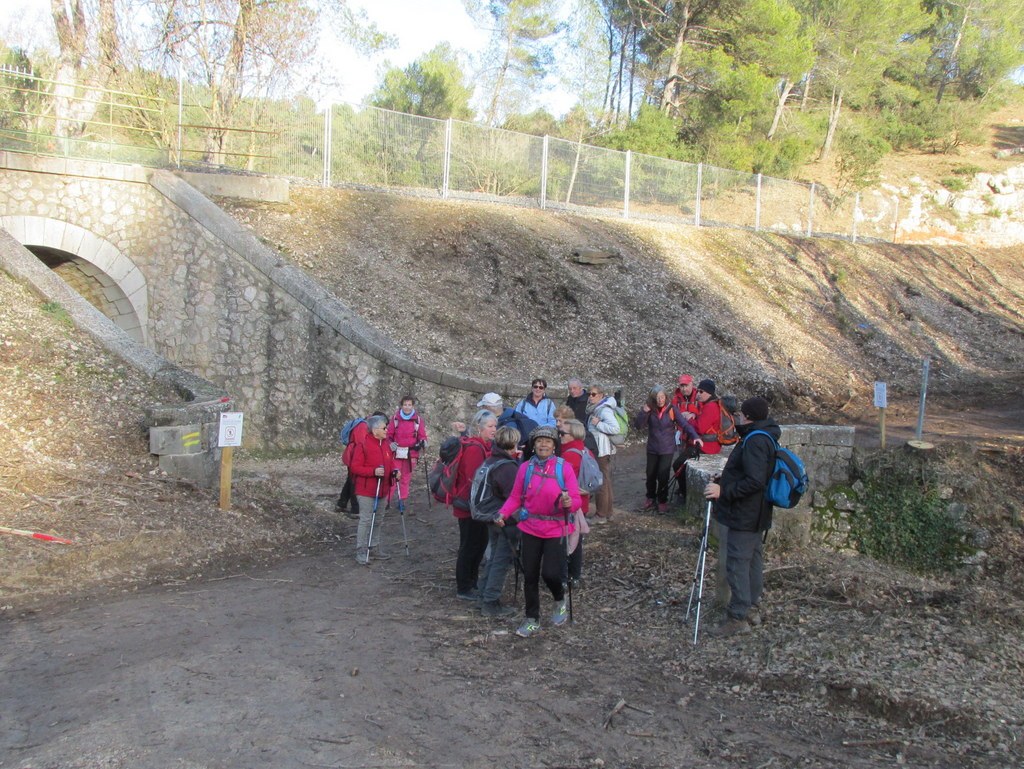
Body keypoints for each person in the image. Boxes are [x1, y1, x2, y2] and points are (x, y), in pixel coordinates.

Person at [703, 396, 778, 637]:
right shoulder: (764, 436)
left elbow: (754, 481)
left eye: (742, 414)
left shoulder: (755, 441)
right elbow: (751, 474)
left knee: (737, 562)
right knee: (753, 561)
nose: (738, 417)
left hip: (745, 514)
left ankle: (738, 616)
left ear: (748, 416)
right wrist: (724, 479)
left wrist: (723, 490)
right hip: (757, 513)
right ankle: (752, 607)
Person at [497, 425, 582, 638]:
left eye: (548, 441)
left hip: (556, 528)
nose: (543, 444)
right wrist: (504, 513)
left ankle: (559, 600)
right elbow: (516, 496)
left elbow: (576, 500)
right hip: (531, 527)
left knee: (551, 574)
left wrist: (569, 503)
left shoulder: (564, 468)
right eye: (539, 441)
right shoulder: (525, 468)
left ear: (554, 446)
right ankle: (532, 618)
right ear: (533, 445)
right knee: (531, 575)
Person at [476, 426, 523, 617]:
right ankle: (490, 601)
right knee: (501, 561)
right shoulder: (506, 467)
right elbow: (514, 496)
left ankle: (483, 595)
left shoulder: (491, 461)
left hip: (490, 515)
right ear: (513, 443)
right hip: (504, 519)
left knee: (493, 557)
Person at [452, 409, 498, 601]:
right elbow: (474, 480)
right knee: (470, 545)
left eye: (495, 426)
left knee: (479, 544)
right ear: (479, 428)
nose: (494, 429)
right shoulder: (474, 449)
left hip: (477, 506)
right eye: (490, 426)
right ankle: (464, 586)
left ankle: (472, 581)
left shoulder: (484, 447)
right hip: (470, 506)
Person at [635, 386, 702, 513]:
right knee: (650, 474)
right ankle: (650, 497)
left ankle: (662, 501)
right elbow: (638, 426)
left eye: (662, 397)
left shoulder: (672, 409)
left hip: (667, 448)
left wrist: (695, 437)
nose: (660, 400)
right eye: (657, 397)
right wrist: (644, 411)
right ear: (652, 399)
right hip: (653, 448)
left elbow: (684, 424)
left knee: (663, 475)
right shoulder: (650, 410)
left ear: (665, 397)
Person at [349, 415, 399, 564]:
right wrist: (373, 471)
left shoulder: (386, 444)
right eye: (384, 427)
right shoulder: (363, 444)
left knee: (378, 519)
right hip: (366, 490)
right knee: (366, 519)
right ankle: (361, 550)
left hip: (383, 488)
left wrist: (395, 471)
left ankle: (374, 546)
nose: (387, 430)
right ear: (375, 429)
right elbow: (355, 467)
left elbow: (390, 463)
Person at [559, 418, 592, 588]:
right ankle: (575, 575)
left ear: (573, 435)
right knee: (577, 540)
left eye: (562, 433)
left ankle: (565, 577)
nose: (560, 436)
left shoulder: (569, 455)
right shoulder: (586, 450)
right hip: (583, 503)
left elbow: (562, 481)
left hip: (571, 504)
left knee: (566, 541)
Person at [337, 411, 386, 519]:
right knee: (355, 482)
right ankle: (355, 510)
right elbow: (363, 444)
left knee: (350, 480)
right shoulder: (363, 426)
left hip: (352, 455)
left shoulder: (364, 424)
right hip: (355, 457)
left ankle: (341, 503)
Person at [386, 396, 428, 511]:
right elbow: (389, 435)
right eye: (405, 405)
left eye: (409, 405)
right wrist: (390, 444)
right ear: (401, 405)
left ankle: (401, 500)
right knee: (393, 476)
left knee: (405, 478)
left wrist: (423, 442)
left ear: (413, 406)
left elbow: (422, 435)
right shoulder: (395, 419)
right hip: (397, 452)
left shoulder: (417, 420)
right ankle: (387, 500)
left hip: (411, 453)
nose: (407, 407)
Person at [585, 384, 619, 522]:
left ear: (601, 395)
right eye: (589, 394)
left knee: (601, 482)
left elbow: (615, 428)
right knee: (605, 480)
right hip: (599, 449)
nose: (590, 397)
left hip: (601, 451)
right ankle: (607, 512)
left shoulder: (603, 410)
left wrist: (598, 424)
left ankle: (601, 514)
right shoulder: (596, 409)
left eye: (593, 394)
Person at [691, 379, 725, 456]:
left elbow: (700, 428)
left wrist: (689, 419)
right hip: (711, 446)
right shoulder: (713, 404)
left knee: (678, 464)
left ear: (709, 393)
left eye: (701, 391)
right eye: (697, 391)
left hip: (707, 448)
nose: (698, 394)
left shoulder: (710, 407)